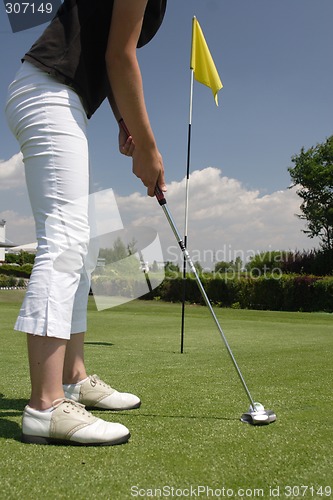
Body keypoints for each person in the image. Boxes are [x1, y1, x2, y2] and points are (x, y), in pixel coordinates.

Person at [5, 0, 167, 446]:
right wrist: (149, 150)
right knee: (66, 241)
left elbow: (111, 51)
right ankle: (46, 405)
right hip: (48, 91)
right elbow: (120, 56)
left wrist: (124, 122)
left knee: (80, 245)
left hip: (60, 96)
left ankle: (73, 380)